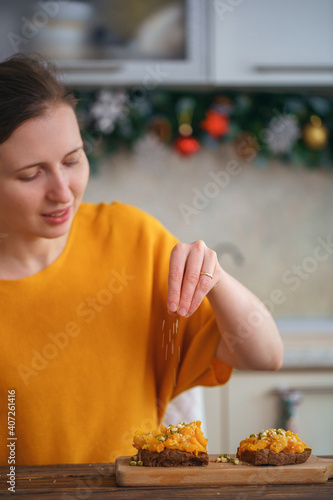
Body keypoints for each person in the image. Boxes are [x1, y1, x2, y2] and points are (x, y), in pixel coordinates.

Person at [0, 54, 283, 466]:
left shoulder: (134, 239)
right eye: (31, 174)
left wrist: (216, 278)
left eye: (72, 160)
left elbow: (265, 356)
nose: (62, 191)